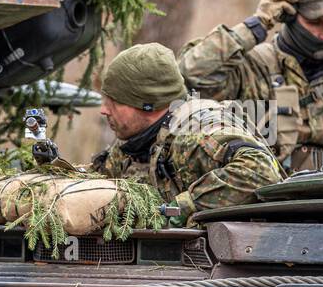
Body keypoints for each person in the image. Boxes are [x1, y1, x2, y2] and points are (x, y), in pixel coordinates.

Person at [177, 0, 323, 171]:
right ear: (289, 17)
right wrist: (257, 25)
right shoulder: (253, 67)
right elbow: (190, 74)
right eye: (314, 22)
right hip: (269, 197)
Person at [90, 43, 283, 224]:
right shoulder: (137, 139)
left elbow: (261, 171)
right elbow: (101, 178)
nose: (104, 110)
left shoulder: (197, 132)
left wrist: (180, 208)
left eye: (114, 101)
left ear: (147, 104)